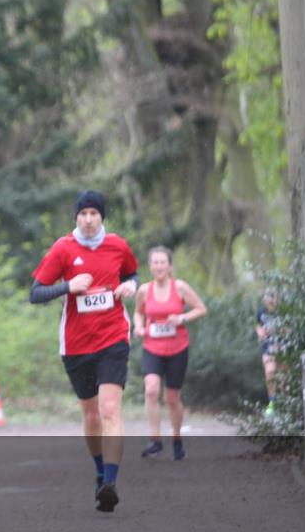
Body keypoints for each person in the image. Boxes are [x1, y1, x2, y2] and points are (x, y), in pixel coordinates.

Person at [29, 190, 138, 512]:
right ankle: (100, 470)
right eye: (83, 214)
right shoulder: (64, 249)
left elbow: (131, 272)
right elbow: (35, 293)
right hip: (76, 344)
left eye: (94, 214)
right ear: (76, 217)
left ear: (102, 217)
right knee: (91, 416)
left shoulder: (118, 245)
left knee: (109, 410)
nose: (89, 220)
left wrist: (132, 285)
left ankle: (111, 483)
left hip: (114, 337)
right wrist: (68, 286)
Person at [132, 246, 207, 460]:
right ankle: (155, 440)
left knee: (172, 398)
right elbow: (138, 312)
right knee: (151, 390)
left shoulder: (180, 287)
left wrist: (181, 319)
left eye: (162, 262)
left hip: (177, 348)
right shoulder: (144, 290)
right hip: (152, 347)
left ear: (170, 266)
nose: (159, 266)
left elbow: (201, 308)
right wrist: (138, 326)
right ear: (150, 266)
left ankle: (176, 439)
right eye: (155, 262)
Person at [255, 288, 281, 417]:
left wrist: (278, 330)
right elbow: (258, 324)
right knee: (270, 372)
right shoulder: (261, 312)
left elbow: (290, 328)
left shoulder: (283, 311)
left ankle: (284, 404)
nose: (269, 302)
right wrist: (260, 332)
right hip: (267, 348)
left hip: (283, 348)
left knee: (282, 376)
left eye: (272, 299)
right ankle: (272, 403)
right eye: (267, 299)